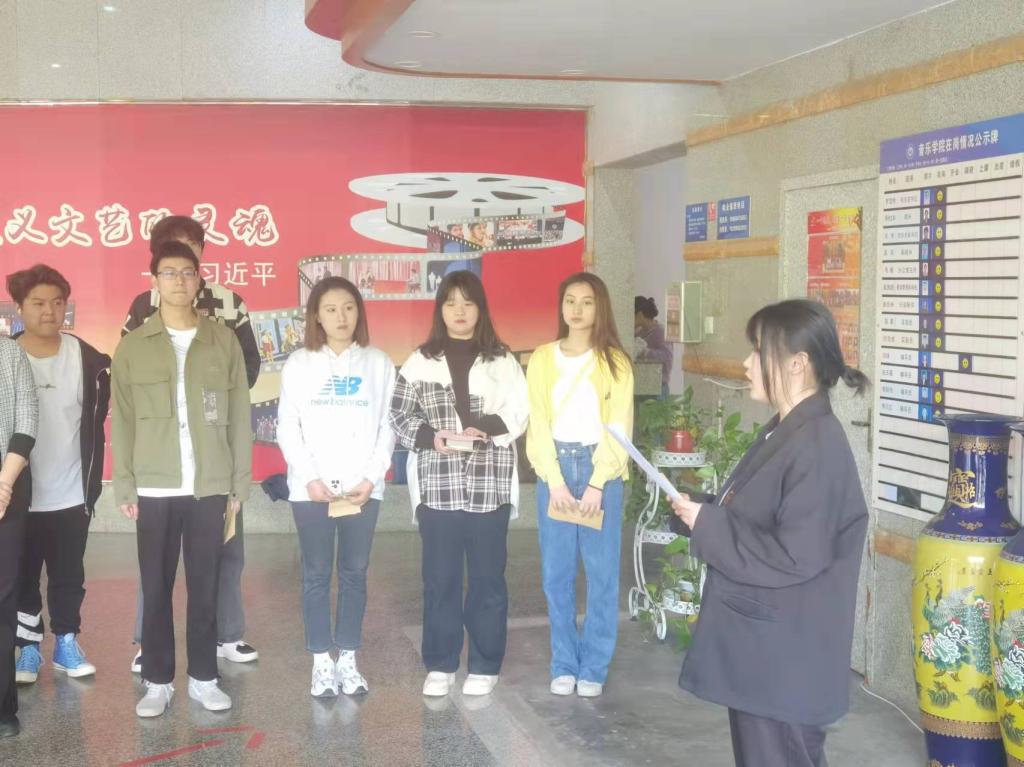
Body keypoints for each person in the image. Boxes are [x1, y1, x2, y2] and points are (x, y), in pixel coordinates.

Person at [670, 299, 869, 767]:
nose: (746, 363)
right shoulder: (788, 429)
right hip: (766, 656)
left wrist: (709, 524)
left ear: (797, 364)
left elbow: (795, 554)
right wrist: (699, 511)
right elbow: (760, 517)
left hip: (786, 664)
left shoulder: (817, 443)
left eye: (759, 351)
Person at [112, 240, 252, 718]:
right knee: (155, 586)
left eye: (187, 272)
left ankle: (204, 678)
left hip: (209, 484)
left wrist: (238, 485)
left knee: (205, 584)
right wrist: (125, 483)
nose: (179, 280)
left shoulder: (222, 341)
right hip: (154, 486)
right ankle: (157, 681)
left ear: (199, 280)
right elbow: (122, 420)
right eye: (169, 273)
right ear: (155, 282)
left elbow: (239, 416)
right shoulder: (133, 346)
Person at [389, 270, 528, 698]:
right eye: (451, 303)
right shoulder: (420, 361)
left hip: (490, 484)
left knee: (488, 579)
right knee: (440, 578)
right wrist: (433, 438)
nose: (460, 311)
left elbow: (520, 411)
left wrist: (484, 428)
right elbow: (399, 415)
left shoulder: (502, 360)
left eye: (468, 303)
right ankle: (441, 664)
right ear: (440, 310)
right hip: (438, 485)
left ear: (480, 309)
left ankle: (485, 665)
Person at [277, 276, 396, 698]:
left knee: (354, 572)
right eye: (330, 309)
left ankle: (347, 656)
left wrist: (371, 477)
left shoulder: (379, 363)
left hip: (362, 490)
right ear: (316, 317)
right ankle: (320, 662)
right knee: (315, 573)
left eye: (348, 307)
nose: (341, 317)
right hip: (311, 490)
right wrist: (310, 476)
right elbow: (287, 425)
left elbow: (388, 426)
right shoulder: (300, 364)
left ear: (359, 312)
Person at [526, 273, 634, 698]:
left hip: (598, 471)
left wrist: (597, 483)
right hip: (555, 469)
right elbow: (537, 422)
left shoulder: (615, 362)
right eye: (569, 300)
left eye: (586, 302)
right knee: (556, 574)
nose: (576, 309)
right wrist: (553, 480)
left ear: (599, 307)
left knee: (602, 574)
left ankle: (594, 666)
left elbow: (619, 427)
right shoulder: (542, 358)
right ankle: (564, 663)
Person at [7, 265, 110, 685]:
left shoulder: (88, 359)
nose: (49, 311)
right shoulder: (7, 357)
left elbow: (96, 422)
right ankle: (29, 648)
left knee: (69, 574)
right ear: (19, 308)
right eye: (37, 303)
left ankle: (67, 642)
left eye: (57, 302)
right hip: (20, 493)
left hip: (71, 492)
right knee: (22, 575)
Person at [0, 338, 37, 738]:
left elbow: (26, 425)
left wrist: (4, 484)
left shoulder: (10, 354)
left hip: (6, 488)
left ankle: (2, 707)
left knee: (2, 597)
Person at [634, 296, 673, 399]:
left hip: (658, 389)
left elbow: (666, 357)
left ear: (639, 315)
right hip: (643, 387)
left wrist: (645, 352)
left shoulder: (660, 332)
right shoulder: (639, 332)